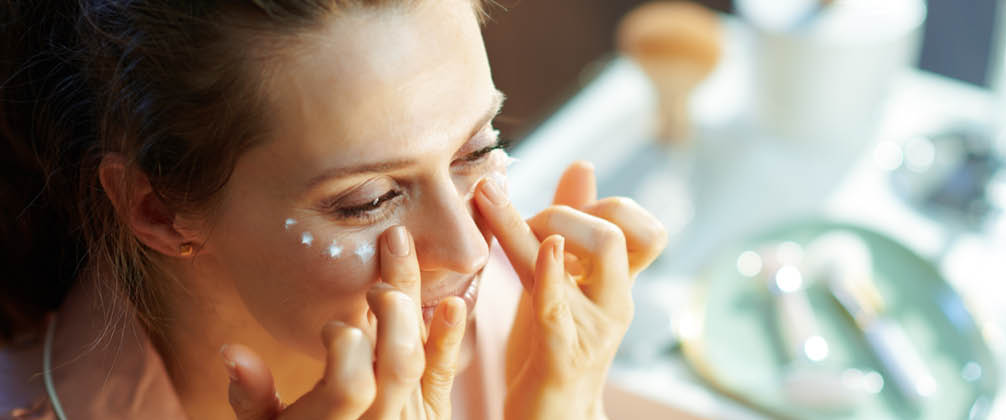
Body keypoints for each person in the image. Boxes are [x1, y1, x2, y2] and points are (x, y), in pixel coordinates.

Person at [0, 0, 668, 419]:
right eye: (368, 201)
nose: (470, 251)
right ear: (159, 210)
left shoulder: (504, 320)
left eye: (477, 152)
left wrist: (562, 403)